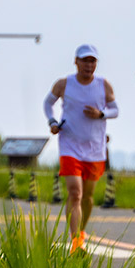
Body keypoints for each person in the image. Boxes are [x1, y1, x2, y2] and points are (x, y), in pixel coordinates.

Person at [44, 44, 118, 255]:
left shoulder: (103, 85)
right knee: (75, 193)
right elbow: (47, 104)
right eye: (85, 60)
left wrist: (101, 114)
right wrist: (52, 122)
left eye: (92, 61)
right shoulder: (64, 84)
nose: (89, 65)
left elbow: (115, 110)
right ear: (76, 62)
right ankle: (76, 242)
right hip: (70, 145)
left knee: (87, 196)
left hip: (95, 148)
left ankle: (81, 232)